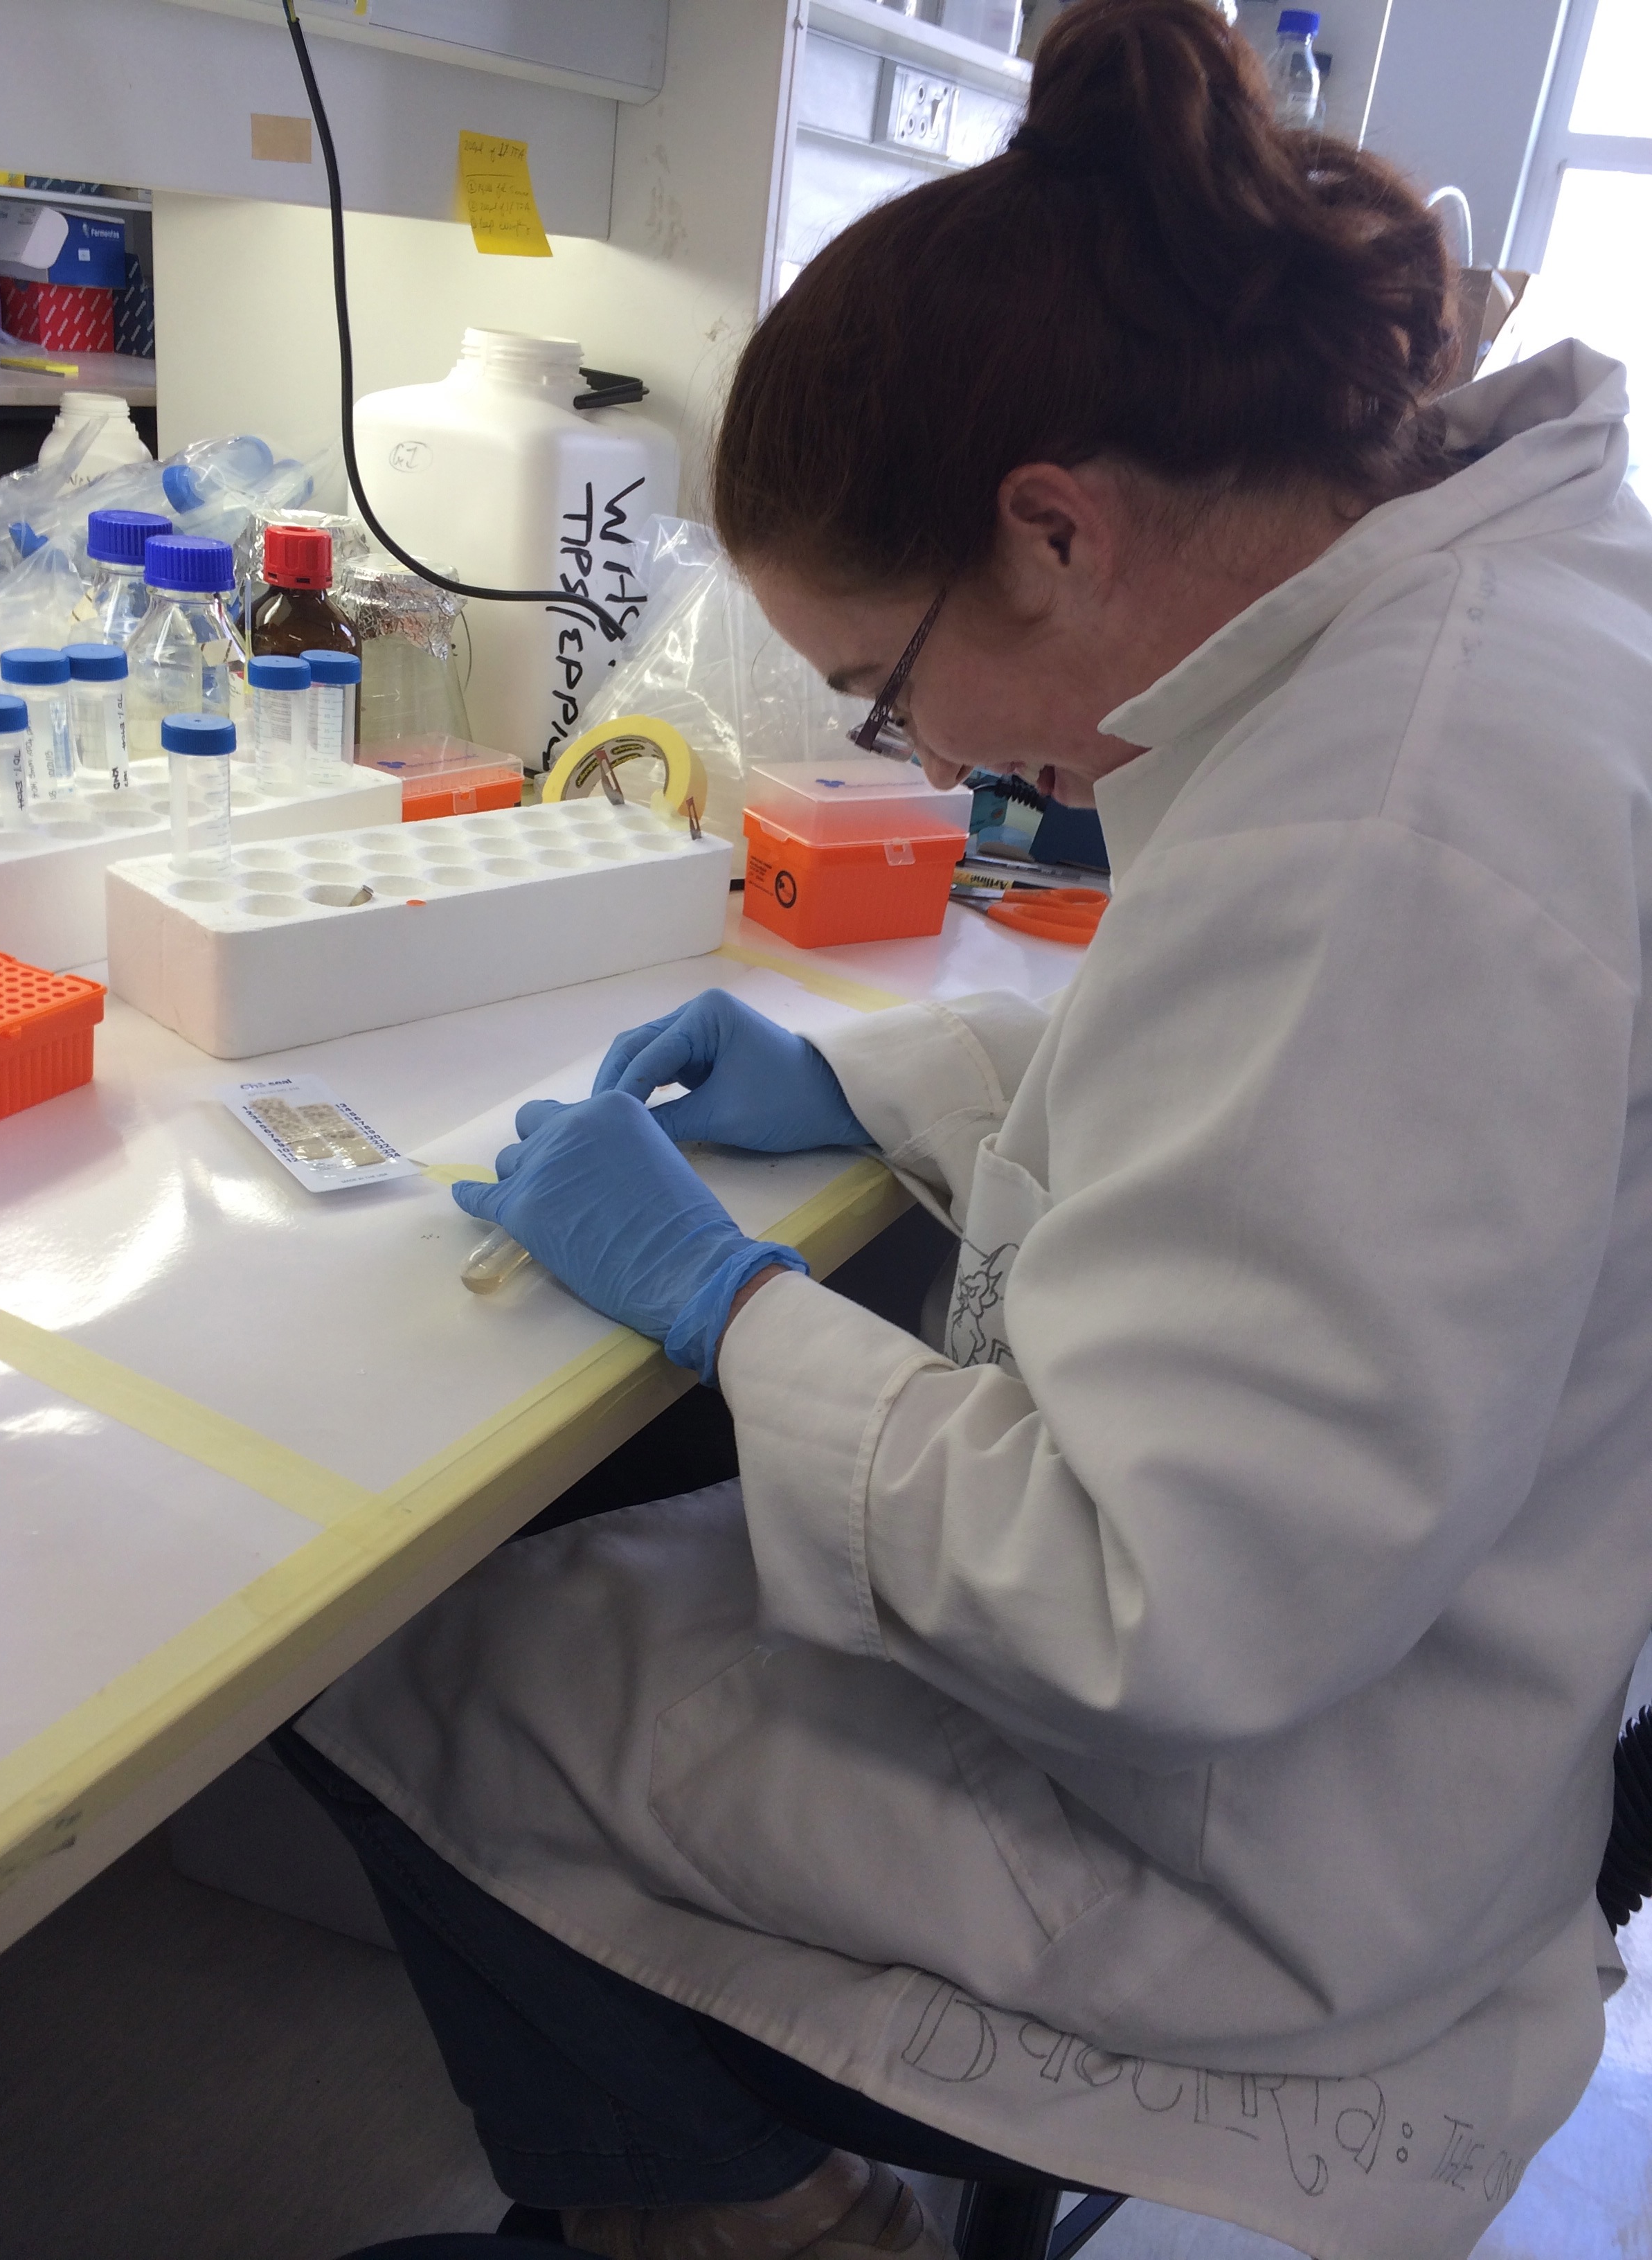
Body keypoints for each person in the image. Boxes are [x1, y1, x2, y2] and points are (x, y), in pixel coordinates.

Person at [287, 3, 1652, 2254]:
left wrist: (731, 1305)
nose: (919, 762)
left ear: (1053, 531)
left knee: (406, 1659)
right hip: (1422, 1706)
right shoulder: (1481, 619)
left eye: (889, 688)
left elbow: (1149, 1606)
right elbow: (1269, 1127)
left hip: (1258, 1857)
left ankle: (766, 2223)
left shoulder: (1389, 821)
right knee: (609, 1561)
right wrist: (876, 1081)